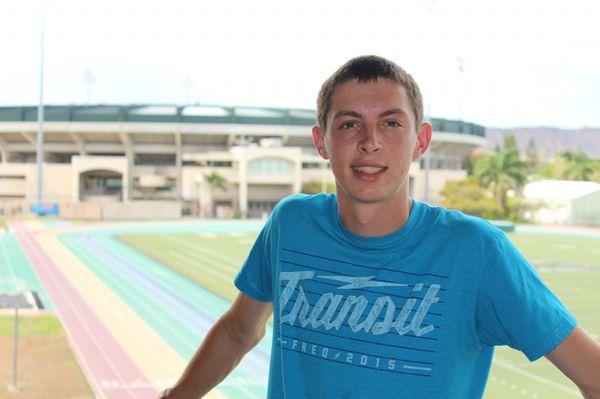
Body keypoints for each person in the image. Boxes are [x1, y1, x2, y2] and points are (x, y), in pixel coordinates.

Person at [161, 55, 600, 398]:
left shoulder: (477, 251)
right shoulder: (290, 224)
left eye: (391, 123)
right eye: (350, 124)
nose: (370, 141)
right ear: (322, 142)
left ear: (420, 141)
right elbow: (240, 330)